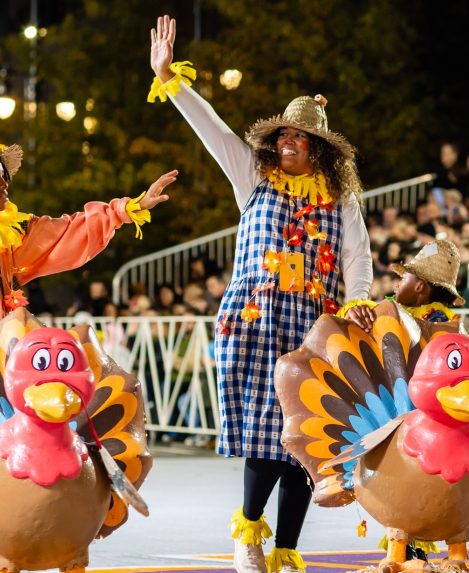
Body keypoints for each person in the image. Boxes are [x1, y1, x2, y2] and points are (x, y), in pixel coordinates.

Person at [149, 16, 372, 573]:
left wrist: (359, 299)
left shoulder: (340, 202)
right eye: (285, 135)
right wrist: (169, 79)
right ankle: (249, 533)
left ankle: (287, 550)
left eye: (302, 138)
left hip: (310, 326)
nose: (289, 142)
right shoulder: (253, 176)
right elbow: (214, 128)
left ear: (320, 151)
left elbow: (357, 259)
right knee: (263, 432)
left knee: (305, 438)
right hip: (254, 319)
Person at [0, 139, 177, 573]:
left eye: (3, 173)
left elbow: (65, 233)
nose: (4, 182)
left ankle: (92, 506)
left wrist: (127, 209)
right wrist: (2, 350)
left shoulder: (10, 229)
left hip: (8, 345)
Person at [341, 239, 464, 333]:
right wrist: (354, 309)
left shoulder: (430, 317)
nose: (397, 285)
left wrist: (353, 309)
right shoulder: (451, 321)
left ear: (419, 287)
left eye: (403, 279)